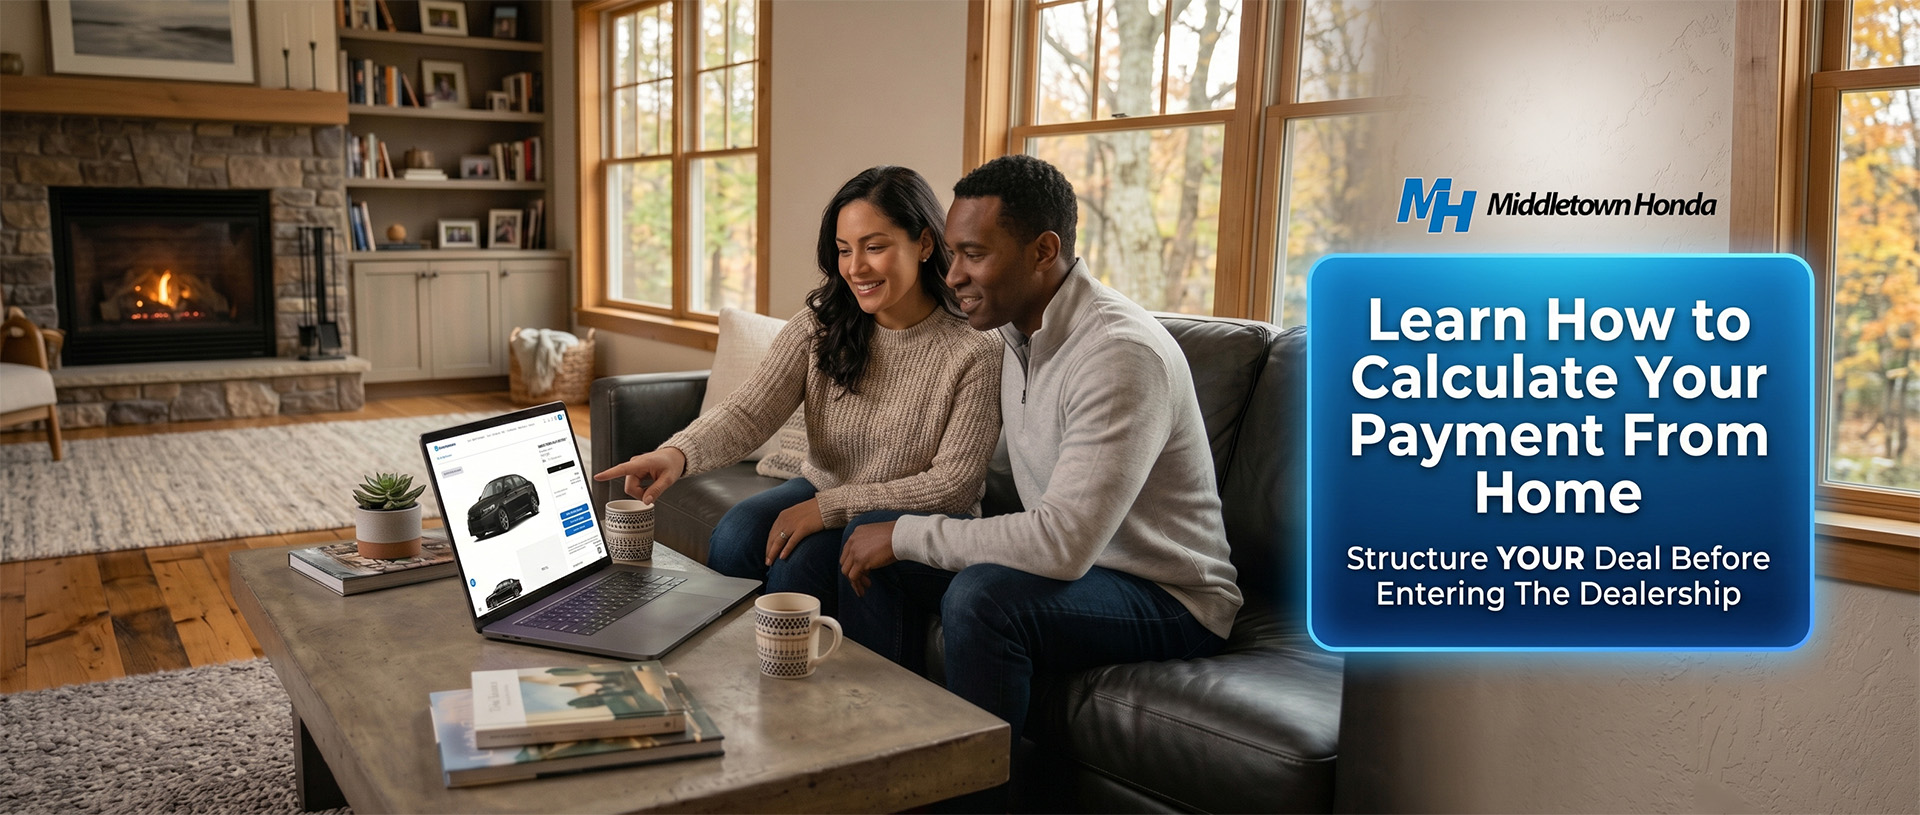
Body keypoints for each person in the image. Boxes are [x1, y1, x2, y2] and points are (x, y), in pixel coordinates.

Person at [837, 155, 1242, 772]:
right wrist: (884, 523)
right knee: (864, 536)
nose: (952, 276)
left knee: (979, 595)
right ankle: (882, 764)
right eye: (950, 254)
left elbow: (1061, 544)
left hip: (1168, 594)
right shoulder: (1011, 334)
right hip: (1081, 571)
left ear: (1042, 251)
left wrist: (904, 535)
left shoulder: (1117, 353)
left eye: (974, 254)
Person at [594, 166, 1001, 616]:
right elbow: (750, 411)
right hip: (825, 485)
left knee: (797, 560)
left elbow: (953, 487)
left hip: (911, 514)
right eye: (845, 251)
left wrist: (827, 508)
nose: (855, 268)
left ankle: (791, 679)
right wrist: (677, 454)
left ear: (924, 243)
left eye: (875, 247)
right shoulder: (821, 325)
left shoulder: (975, 348)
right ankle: (729, 669)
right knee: (736, 533)